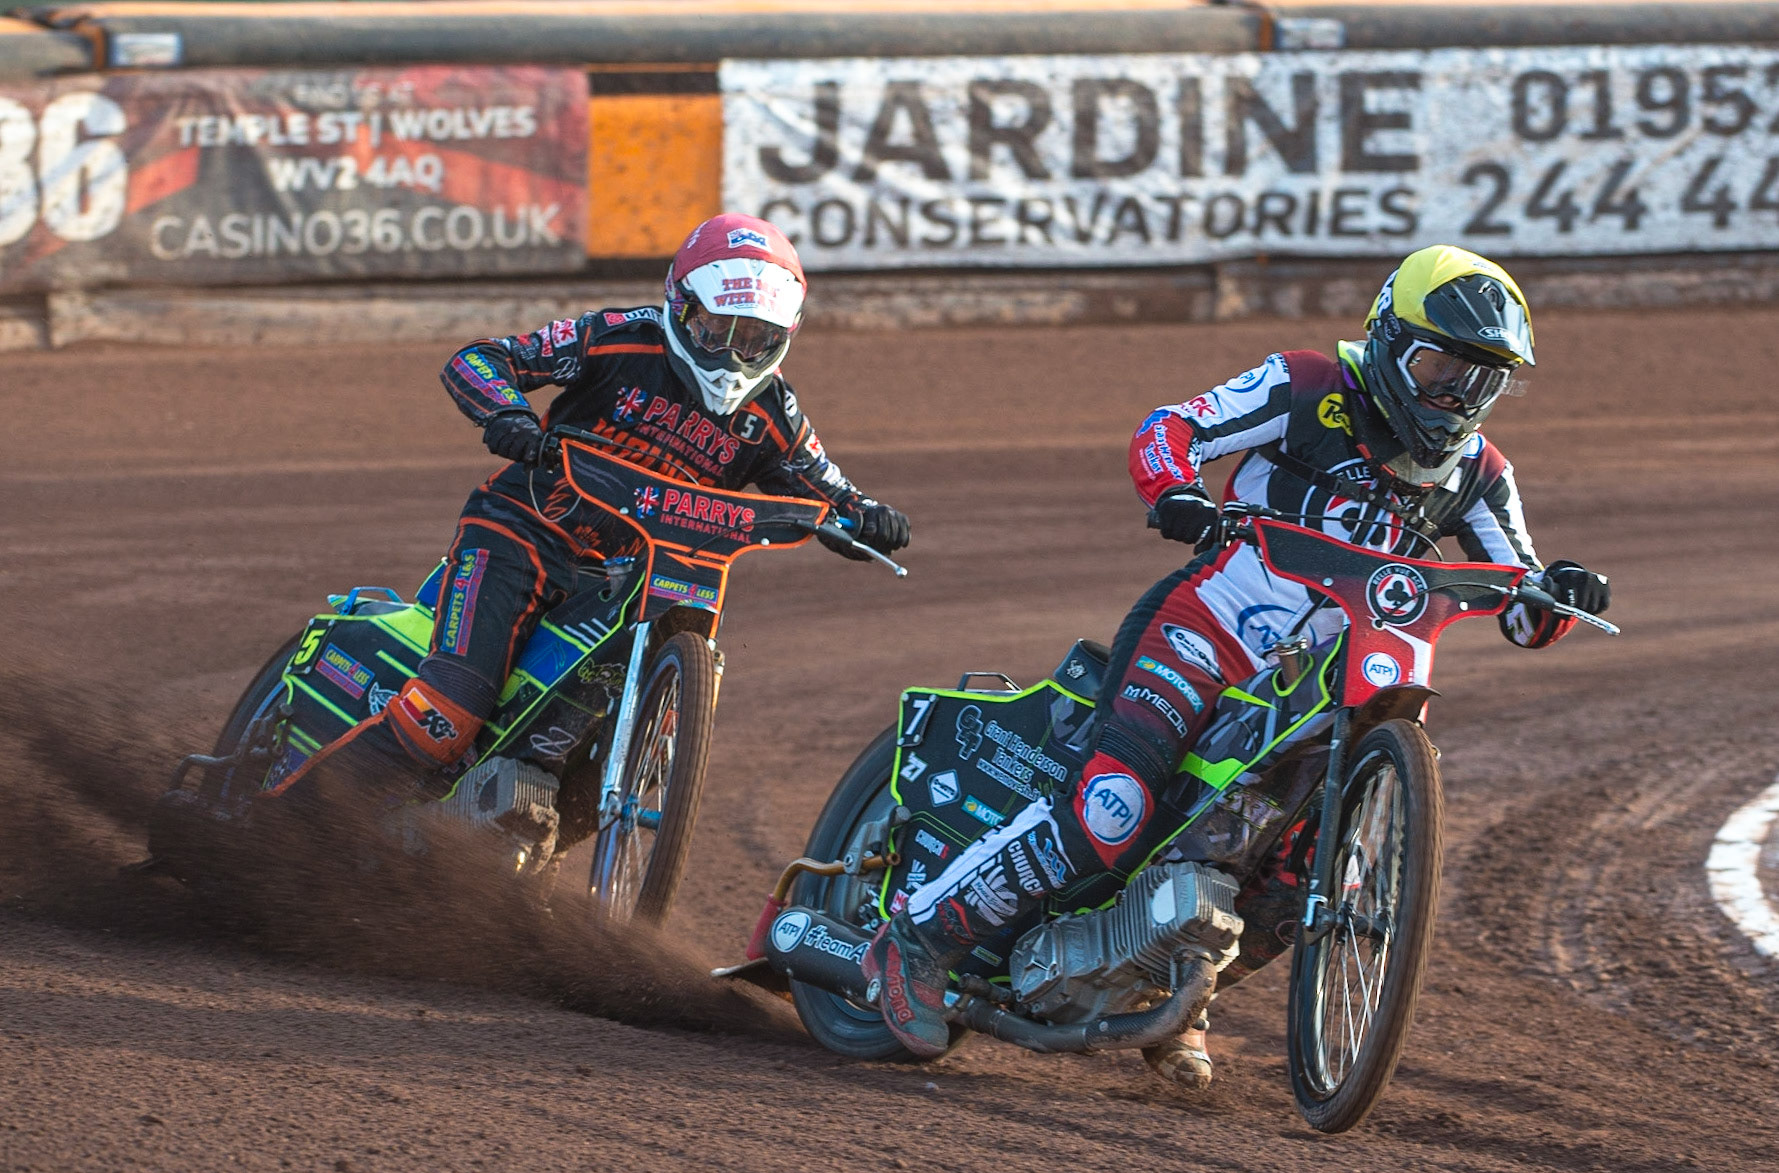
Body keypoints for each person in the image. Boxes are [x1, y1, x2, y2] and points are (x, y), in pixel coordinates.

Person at [862, 245, 1609, 1086]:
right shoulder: (1305, 385)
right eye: (1441, 366)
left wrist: (1560, 592)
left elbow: (1524, 606)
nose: (1455, 396)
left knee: (1307, 877)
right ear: (1390, 338)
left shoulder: (1481, 472)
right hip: (1208, 629)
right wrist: (1176, 491)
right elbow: (1170, 427)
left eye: (1481, 381)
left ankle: (1174, 996)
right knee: (1112, 809)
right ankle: (918, 937)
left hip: (1336, 684)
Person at [269, 213, 909, 807]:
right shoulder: (615, 339)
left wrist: (869, 517)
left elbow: (832, 493)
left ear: (784, 337)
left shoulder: (775, 416)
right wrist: (509, 418)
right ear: (681, 308)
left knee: (635, 770)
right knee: (448, 716)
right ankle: (274, 827)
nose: (733, 354)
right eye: (719, 328)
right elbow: (481, 359)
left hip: (629, 585)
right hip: (521, 537)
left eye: (757, 338)